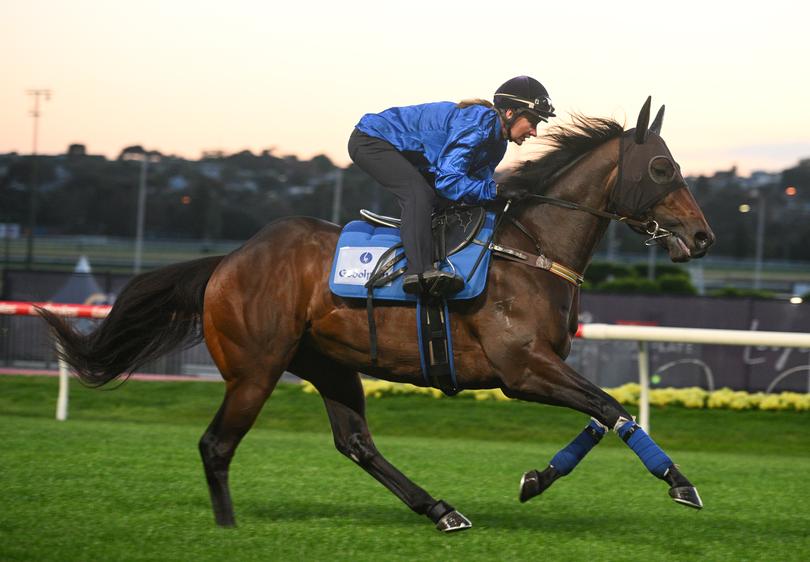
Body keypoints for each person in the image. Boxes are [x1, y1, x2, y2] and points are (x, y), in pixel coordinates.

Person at [347, 75, 555, 296]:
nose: (534, 131)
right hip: (371, 140)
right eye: (533, 122)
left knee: (447, 204)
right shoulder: (478, 124)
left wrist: (508, 192)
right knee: (419, 195)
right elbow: (448, 181)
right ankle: (418, 273)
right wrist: (496, 190)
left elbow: (473, 191)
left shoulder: (498, 143)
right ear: (511, 112)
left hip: (412, 157)